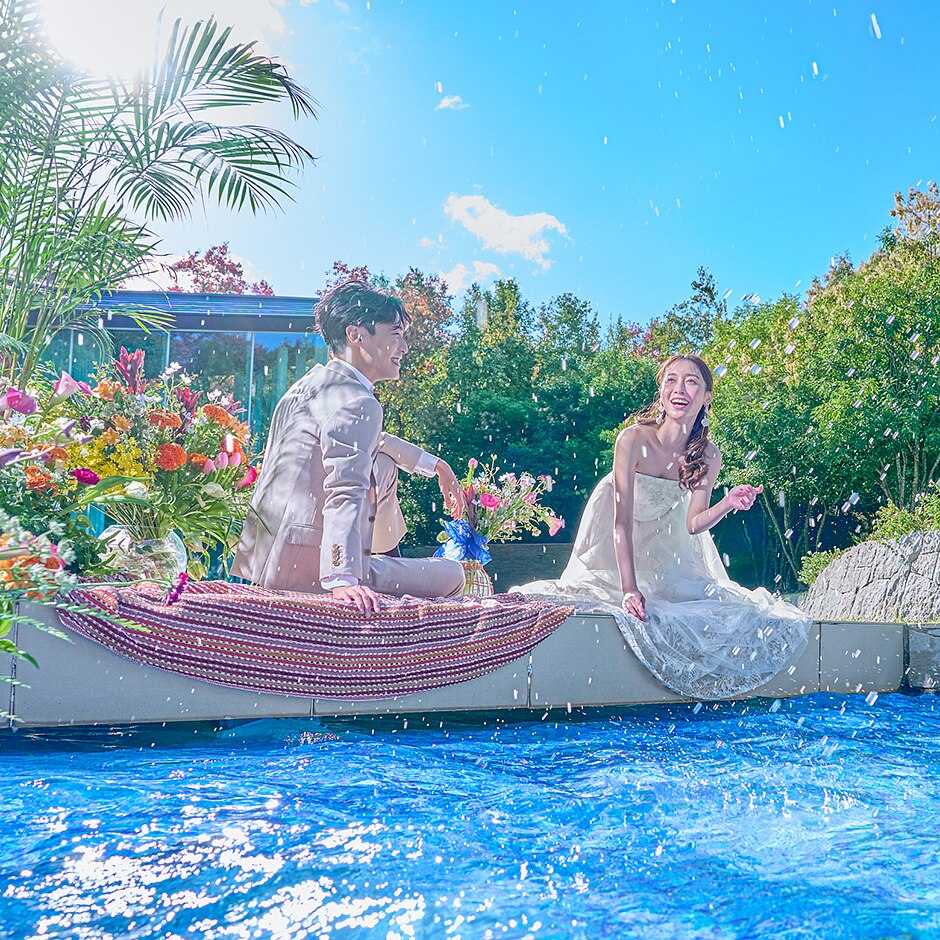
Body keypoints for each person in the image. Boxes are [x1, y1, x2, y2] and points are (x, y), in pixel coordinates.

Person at [516, 354, 810, 700]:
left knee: (701, 604)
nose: (679, 389)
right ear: (661, 392)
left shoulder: (709, 455)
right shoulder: (633, 440)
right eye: (671, 380)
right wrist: (629, 589)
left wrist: (728, 502)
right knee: (596, 595)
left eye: (691, 382)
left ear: (707, 397)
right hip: (612, 527)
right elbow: (621, 522)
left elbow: (694, 523)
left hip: (664, 531)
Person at [232, 282, 466, 614]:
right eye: (396, 334)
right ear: (356, 335)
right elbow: (345, 490)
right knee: (453, 575)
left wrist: (437, 466)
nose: (404, 347)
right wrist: (342, 579)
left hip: (268, 562)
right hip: (313, 572)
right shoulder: (358, 402)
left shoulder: (307, 389)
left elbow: (372, 441)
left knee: (383, 465)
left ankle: (379, 559)